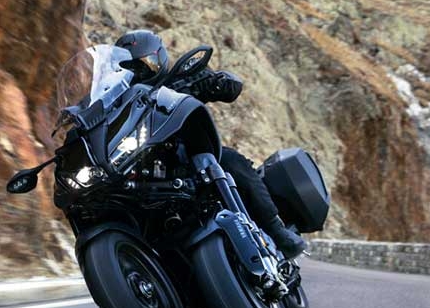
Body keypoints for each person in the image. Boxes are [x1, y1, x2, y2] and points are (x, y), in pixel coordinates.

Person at [114, 29, 308, 259]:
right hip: (142, 170)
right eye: (130, 69)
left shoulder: (177, 81)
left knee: (231, 161)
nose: (139, 73)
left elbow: (231, 87)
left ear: (160, 59)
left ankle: (276, 229)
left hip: (187, 158)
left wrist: (215, 82)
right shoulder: (118, 104)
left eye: (145, 65)